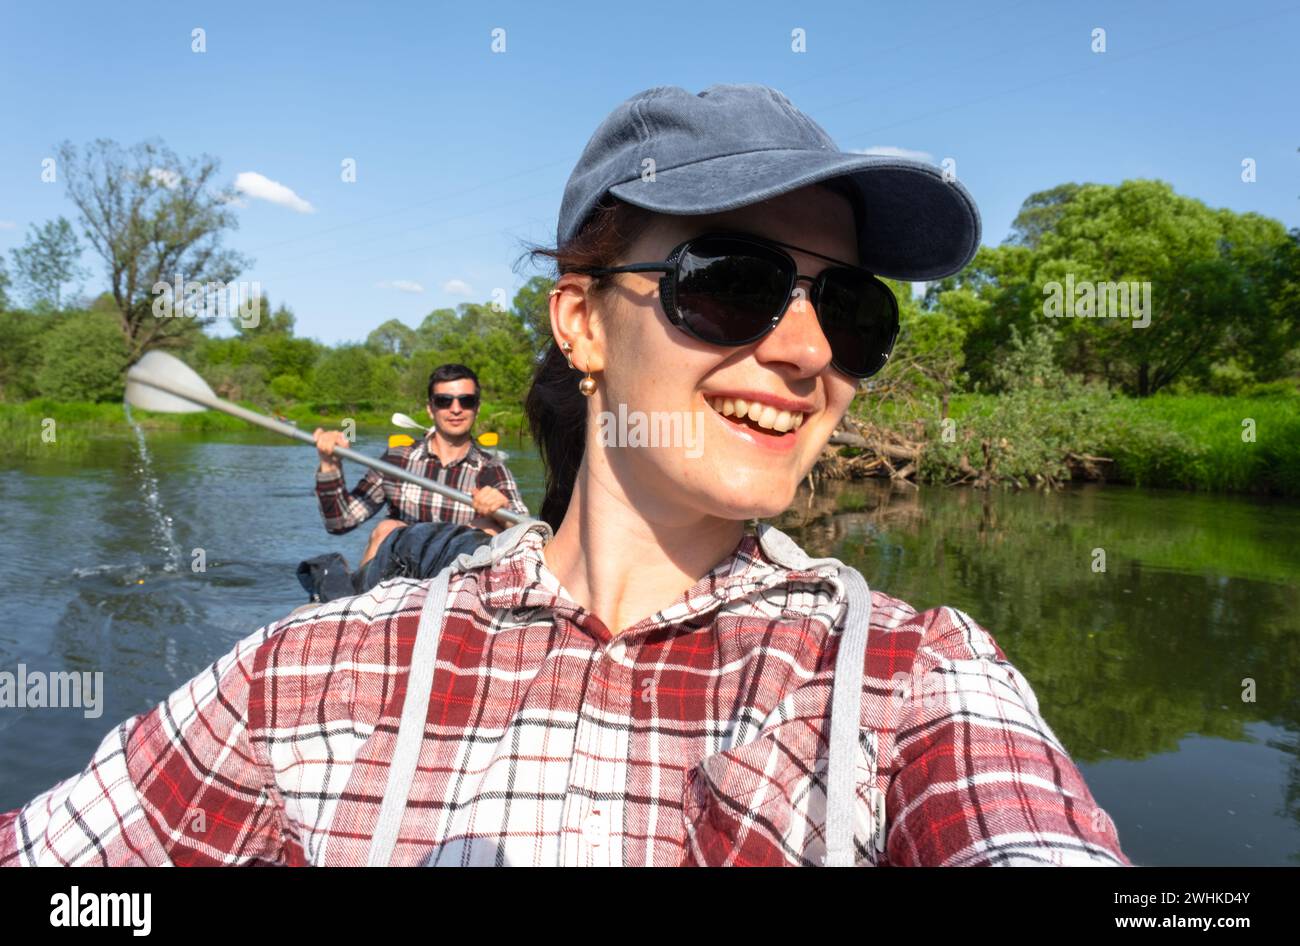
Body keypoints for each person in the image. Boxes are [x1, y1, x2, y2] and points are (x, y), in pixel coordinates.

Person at [0, 84, 1130, 867]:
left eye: (851, 307)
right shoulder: (304, 675)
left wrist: (489, 508)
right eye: (734, 281)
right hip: (419, 549)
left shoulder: (915, 677)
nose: (808, 350)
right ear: (583, 322)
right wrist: (346, 476)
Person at [312, 363, 528, 568]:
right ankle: (362, 603)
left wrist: (502, 511)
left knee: (487, 531)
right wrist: (330, 465)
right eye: (444, 401)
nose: (455, 409)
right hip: (399, 580)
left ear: (477, 408)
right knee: (387, 529)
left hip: (460, 582)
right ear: (430, 408)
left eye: (466, 401)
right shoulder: (396, 460)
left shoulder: (492, 469)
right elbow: (339, 522)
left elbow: (526, 533)